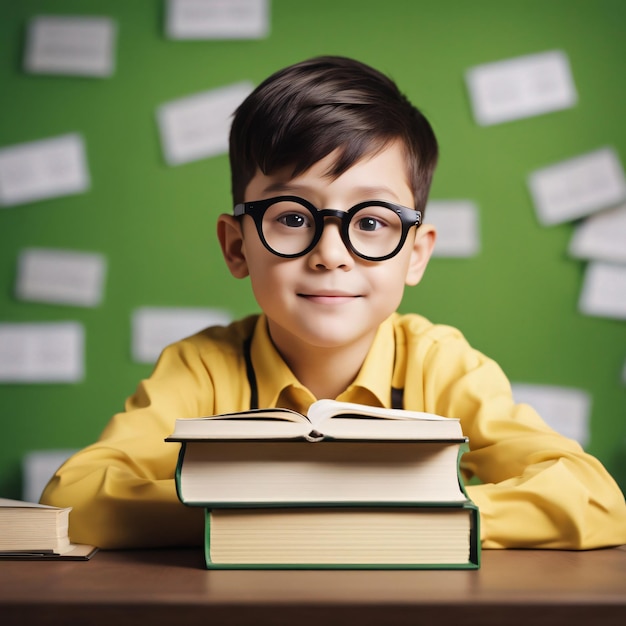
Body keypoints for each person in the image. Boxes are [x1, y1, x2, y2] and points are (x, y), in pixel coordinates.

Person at [41, 55, 626, 550]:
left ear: (416, 254)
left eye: (371, 221)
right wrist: (269, 515)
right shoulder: (202, 366)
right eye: (293, 217)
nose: (330, 253)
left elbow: (595, 498)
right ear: (236, 245)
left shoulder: (438, 363)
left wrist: (399, 517)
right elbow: (74, 497)